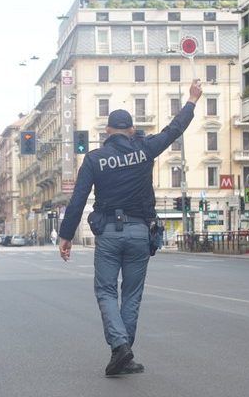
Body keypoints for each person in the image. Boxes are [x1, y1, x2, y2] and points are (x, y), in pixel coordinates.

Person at [58, 79, 203, 376]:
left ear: (107, 131)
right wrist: (191, 100)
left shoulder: (95, 158)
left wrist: (66, 235)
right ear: (132, 130)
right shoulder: (145, 149)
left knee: (106, 291)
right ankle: (123, 352)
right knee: (132, 295)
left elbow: (78, 200)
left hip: (109, 233)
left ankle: (120, 347)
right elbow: (174, 130)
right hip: (139, 232)